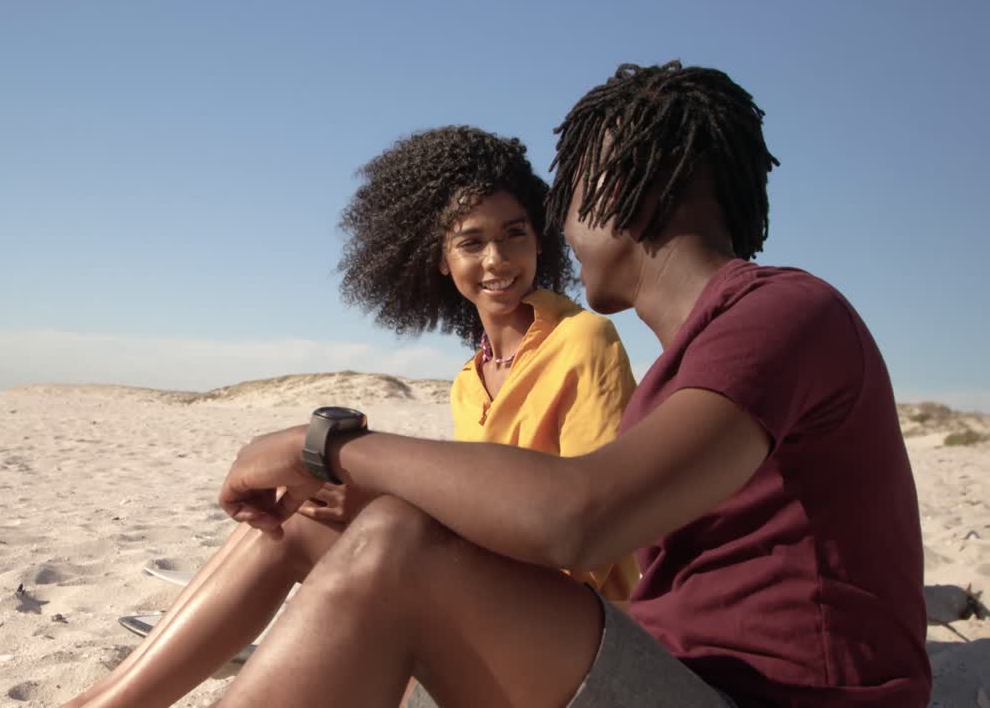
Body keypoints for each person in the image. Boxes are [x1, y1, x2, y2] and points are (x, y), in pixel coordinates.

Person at [213, 62, 931, 708]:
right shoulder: (699, 363)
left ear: (629, 189)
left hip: (767, 697)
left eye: (570, 193)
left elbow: (581, 520)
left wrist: (330, 446)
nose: (558, 227)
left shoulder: (783, 313)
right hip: (672, 667)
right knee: (364, 539)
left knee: (400, 544)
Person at [64, 127, 641, 708]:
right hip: (498, 600)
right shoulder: (470, 381)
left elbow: (590, 541)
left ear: (539, 242)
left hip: (574, 630)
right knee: (296, 514)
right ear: (441, 260)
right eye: (471, 243)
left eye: (514, 234)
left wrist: (397, 514)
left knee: (385, 523)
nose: (497, 260)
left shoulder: (583, 340)